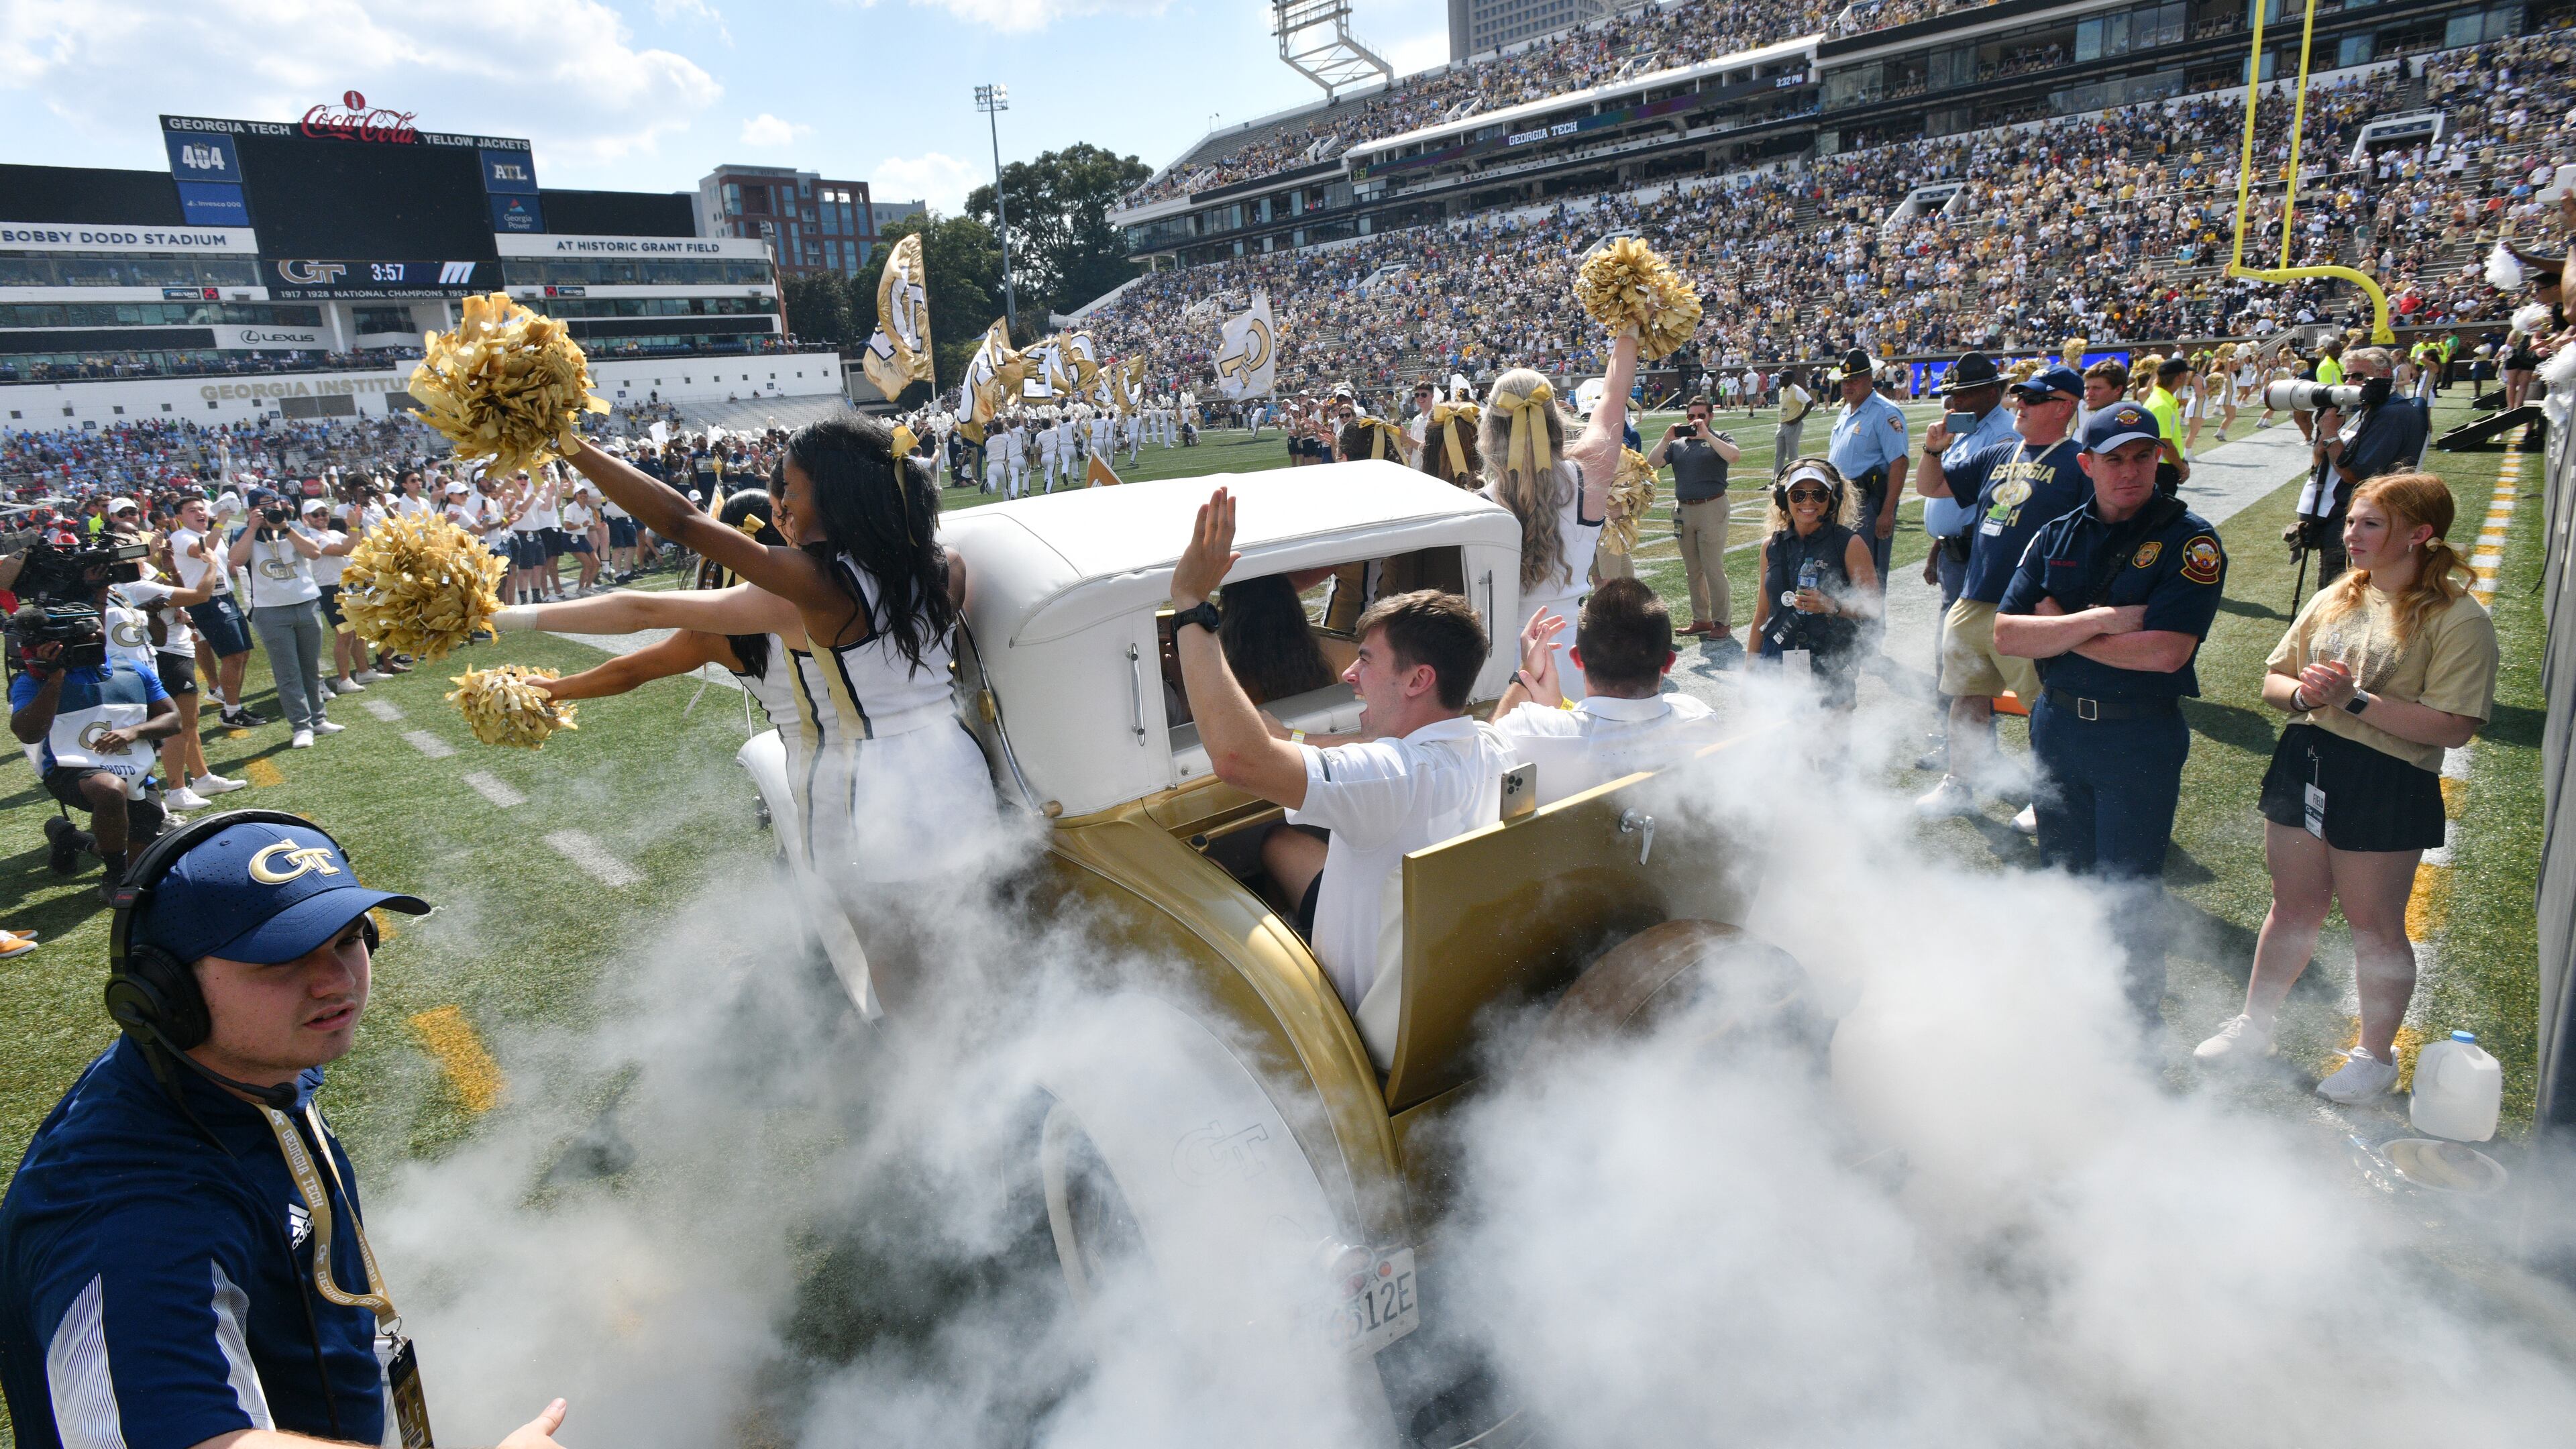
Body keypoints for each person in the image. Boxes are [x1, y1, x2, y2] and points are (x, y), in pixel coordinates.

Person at [0, 811, 578, 1449]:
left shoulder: (249, 1069)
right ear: (163, 992)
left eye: (349, 939)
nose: (337, 982)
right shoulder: (129, 1216)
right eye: (281, 959)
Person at [560, 414, 992, 1014]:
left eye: (790, 490)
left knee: (896, 966)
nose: (783, 506)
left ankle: (926, 1063)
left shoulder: (815, 587)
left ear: (835, 496)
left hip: (872, 790)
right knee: (965, 945)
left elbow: (682, 524)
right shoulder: (945, 562)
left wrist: (571, 446)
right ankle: (992, 1052)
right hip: (958, 771)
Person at [1166, 486, 1513, 1069]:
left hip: (1357, 1037)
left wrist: (1191, 605)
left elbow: (1237, 760)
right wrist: (1294, 740)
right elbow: (1375, 750)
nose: (1349, 673)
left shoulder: (1388, 779)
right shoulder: (1489, 745)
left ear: (1418, 680)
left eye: (1367, 661)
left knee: (1269, 847)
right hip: (1437, 1003)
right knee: (1287, 841)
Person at [2197, 473, 2498, 1099]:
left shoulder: (2458, 617)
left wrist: (2353, 700)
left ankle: (2375, 1057)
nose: (2350, 534)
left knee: (2375, 927)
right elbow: (2275, 681)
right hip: (2306, 758)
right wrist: (2305, 696)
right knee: (2292, 907)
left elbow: (2454, 726)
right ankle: (2256, 1025)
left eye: (2370, 524)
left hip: (2387, 779)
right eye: (2352, 520)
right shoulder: (2341, 592)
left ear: (2419, 534)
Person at [1994, 402, 2226, 1020]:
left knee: (2128, 887)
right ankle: (2070, 1000)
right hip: (2058, 725)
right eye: (2115, 459)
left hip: (2136, 735)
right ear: (2087, 465)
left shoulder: (2189, 539)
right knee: (2063, 876)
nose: (2131, 471)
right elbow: (2008, 635)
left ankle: (2133, 1016)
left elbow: (2166, 653)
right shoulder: (2057, 532)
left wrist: (2062, 630)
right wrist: (2101, 621)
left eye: (2143, 456)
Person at [1914, 364, 2090, 821]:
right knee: (1967, 696)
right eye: (2021, 396)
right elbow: (1930, 485)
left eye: (2034, 398)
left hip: (2027, 605)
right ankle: (1959, 784)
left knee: (2045, 707)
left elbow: (2093, 536)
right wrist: (1933, 449)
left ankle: (2051, 798)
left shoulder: (2078, 462)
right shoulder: (1999, 452)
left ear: (2064, 407)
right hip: (1974, 595)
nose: (2021, 404)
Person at [1479, 331, 1640, 698]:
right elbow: (1614, 396)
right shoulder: (1588, 475)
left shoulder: (1477, 503)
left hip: (1502, 665)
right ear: (1555, 420)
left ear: (1490, 430)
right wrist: (1629, 330)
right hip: (1575, 656)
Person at [1492, 579, 1719, 806]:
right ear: (1669, 662)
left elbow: (1485, 754)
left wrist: (1524, 676)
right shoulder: (1700, 718)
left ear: (1577, 659)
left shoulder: (1529, 730)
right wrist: (1560, 704)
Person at [11, 607, 179, 896]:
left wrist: (134, 731)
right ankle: (115, 878)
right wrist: (55, 679)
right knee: (111, 790)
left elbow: (174, 720)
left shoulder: (131, 669)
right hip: (68, 769)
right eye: (80, 635)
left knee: (143, 864)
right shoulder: (32, 681)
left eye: (94, 628)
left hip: (132, 769)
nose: (91, 636)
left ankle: (72, 838)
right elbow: (28, 733)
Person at [1919, 352, 2016, 771]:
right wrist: (1937, 548)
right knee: (1954, 655)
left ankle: (1973, 750)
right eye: (1953, 393)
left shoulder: (2004, 436)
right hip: (1954, 554)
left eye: (1964, 393)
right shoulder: (1967, 427)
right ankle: (1962, 744)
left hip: (1977, 555)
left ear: (1991, 392)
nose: (1954, 402)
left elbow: (1997, 506)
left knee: (1968, 657)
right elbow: (1950, 492)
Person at [2290, 346, 2430, 587]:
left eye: (2359, 376)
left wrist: (2330, 433)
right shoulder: (2368, 410)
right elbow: (2321, 463)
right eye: (2347, 376)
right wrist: (2323, 442)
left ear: (2385, 375)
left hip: (2365, 521)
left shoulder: (2394, 414)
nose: (2350, 383)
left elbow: (2355, 474)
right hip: (2348, 518)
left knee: (2343, 594)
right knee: (2337, 592)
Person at [1747, 458, 1878, 710]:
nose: (1808, 502)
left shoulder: (1849, 544)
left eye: (1818, 494)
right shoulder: (1770, 547)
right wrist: (1749, 673)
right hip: (1776, 660)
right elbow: (1762, 614)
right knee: (1782, 735)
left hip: (1830, 660)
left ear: (1833, 498)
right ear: (1783, 499)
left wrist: (1832, 605)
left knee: (1830, 736)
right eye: (1798, 495)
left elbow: (1872, 608)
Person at [227, 496, 343, 750]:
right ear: (251, 510)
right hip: (270, 610)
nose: (270, 512)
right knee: (288, 672)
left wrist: (286, 528)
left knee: (311, 668)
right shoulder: (242, 533)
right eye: (263, 509)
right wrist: (252, 528)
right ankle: (301, 726)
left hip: (305, 603)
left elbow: (314, 553)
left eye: (274, 507)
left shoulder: (294, 527)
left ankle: (319, 719)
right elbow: (236, 561)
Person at [1646, 395, 1741, 644]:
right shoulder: (1678, 444)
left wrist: (1708, 436)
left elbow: (1734, 456)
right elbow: (1651, 463)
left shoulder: (1720, 437)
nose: (1696, 420)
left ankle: (1722, 622)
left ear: (1711, 417)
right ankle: (1701, 619)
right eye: (1691, 416)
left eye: (1701, 416)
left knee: (1713, 568)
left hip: (1712, 507)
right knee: (1693, 570)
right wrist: (1666, 439)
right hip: (1684, 510)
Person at [167, 496, 260, 729]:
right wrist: (220, 522)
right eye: (192, 510)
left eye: (201, 508)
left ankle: (231, 705)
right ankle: (232, 711)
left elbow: (227, 565)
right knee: (232, 655)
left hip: (225, 596)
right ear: (179, 517)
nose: (200, 513)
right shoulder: (180, 536)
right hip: (206, 601)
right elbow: (202, 550)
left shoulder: (212, 534)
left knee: (242, 654)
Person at [1823, 348, 1907, 596]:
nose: (1848, 386)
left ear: (1870, 378)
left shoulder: (1885, 412)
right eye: (1845, 381)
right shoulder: (1846, 410)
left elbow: (1899, 463)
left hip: (1867, 503)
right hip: (1841, 502)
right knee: (1842, 571)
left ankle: (1872, 622)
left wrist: (1887, 512)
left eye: (1854, 380)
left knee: (1869, 574)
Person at [2142, 356, 2194, 496]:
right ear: (2180, 376)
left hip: (2164, 465)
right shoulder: (2162, 405)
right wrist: (2182, 467)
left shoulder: (2162, 400)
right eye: (2186, 373)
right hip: (2162, 468)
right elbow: (2164, 443)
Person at [1774, 366, 1815, 464]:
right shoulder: (1781, 390)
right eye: (1780, 378)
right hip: (1782, 424)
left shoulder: (1797, 390)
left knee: (1792, 454)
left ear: (1790, 379)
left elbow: (1810, 403)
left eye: (1782, 378)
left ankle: (1795, 472)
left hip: (1793, 424)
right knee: (1779, 455)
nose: (1780, 380)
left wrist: (1798, 419)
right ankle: (1776, 474)